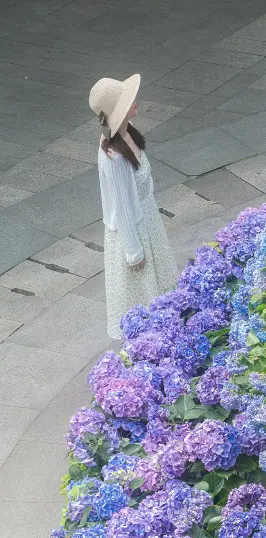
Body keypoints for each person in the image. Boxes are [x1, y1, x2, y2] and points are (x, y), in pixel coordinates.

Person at [89, 74, 177, 339]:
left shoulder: (129, 136)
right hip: (133, 230)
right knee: (144, 293)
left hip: (147, 219)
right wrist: (134, 252)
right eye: (128, 100)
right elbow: (122, 205)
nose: (135, 102)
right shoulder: (114, 155)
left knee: (161, 285)